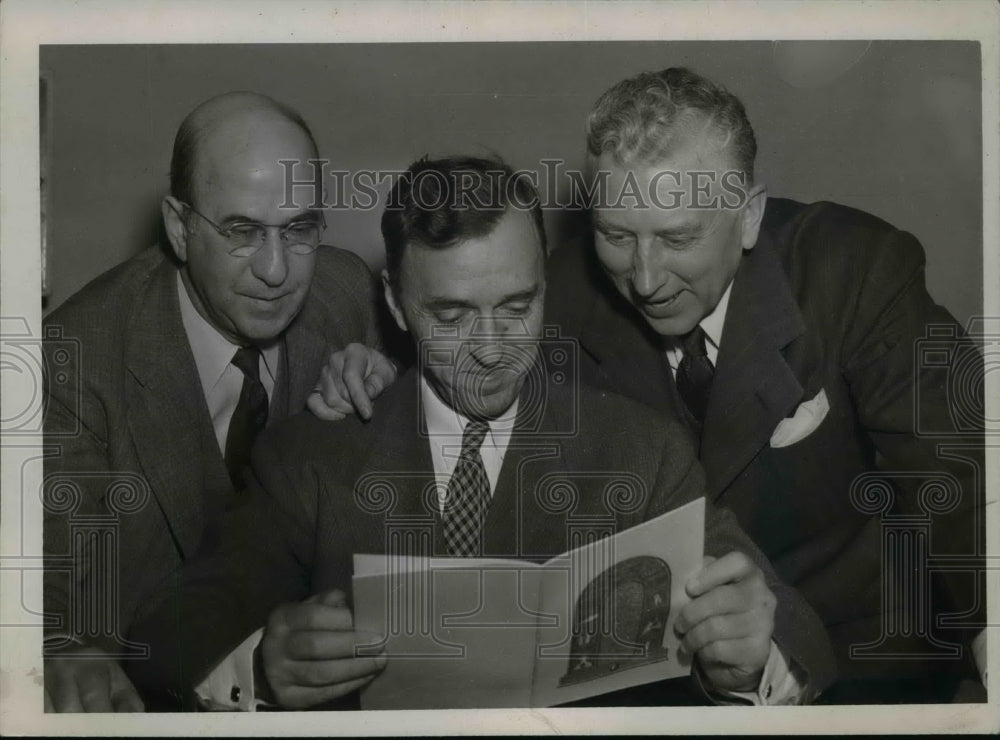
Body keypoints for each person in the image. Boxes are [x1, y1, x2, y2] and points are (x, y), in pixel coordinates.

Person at [126, 156, 836, 710]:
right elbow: (172, 630)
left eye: (518, 306)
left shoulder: (640, 452)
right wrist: (259, 668)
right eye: (453, 315)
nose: (492, 349)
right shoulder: (310, 460)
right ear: (396, 307)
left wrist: (749, 659)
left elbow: (798, 639)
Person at [542, 67, 986, 702]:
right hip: (668, 665)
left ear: (747, 217)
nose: (643, 280)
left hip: (864, 654)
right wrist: (364, 372)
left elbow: (964, 469)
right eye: (616, 236)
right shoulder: (559, 293)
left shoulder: (856, 271)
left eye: (677, 238)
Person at [41, 91, 394, 712]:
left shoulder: (345, 292)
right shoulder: (74, 359)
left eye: (300, 229)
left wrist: (389, 396)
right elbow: (40, 602)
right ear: (180, 227)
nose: (278, 271)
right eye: (241, 231)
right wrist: (58, 654)